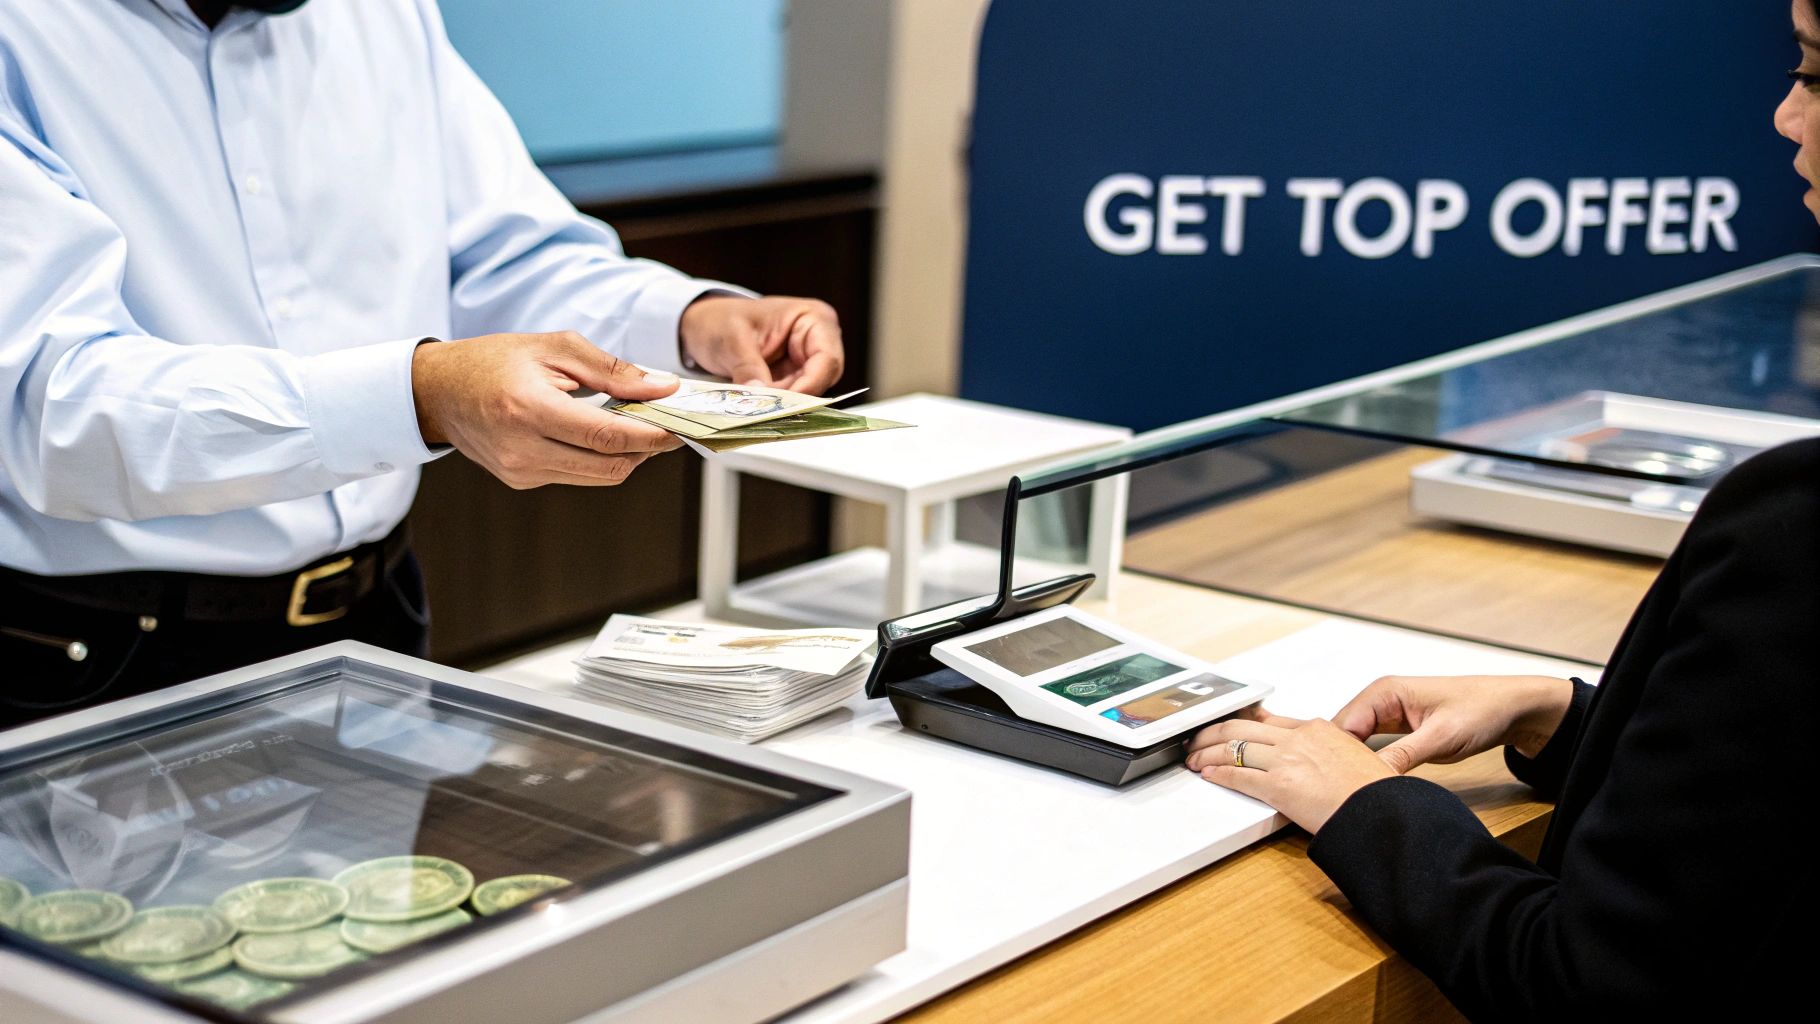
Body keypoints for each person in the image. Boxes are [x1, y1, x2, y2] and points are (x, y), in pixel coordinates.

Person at [1182, 7, 1820, 1016]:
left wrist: (1365, 805)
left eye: (1814, 73)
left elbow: (1588, 985)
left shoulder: (1795, 525)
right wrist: (1564, 716)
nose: (1784, 115)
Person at [0, 0, 844, 727]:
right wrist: (419, 398)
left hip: (377, 618)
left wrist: (690, 319)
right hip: (102, 655)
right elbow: (49, 402)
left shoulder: (380, 14)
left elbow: (499, 253)